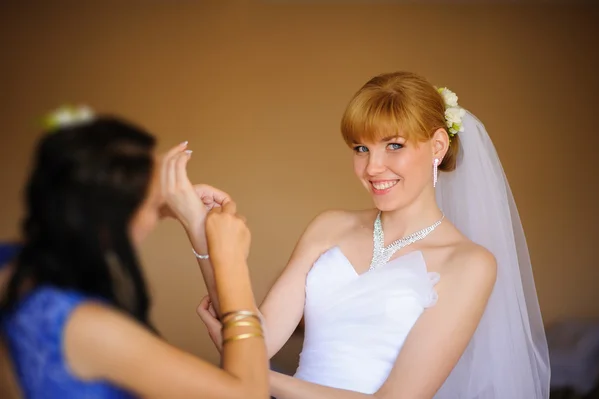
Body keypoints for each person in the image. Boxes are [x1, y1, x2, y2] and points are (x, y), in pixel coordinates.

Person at [194, 72, 550, 398]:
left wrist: (257, 378)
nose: (372, 167)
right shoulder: (329, 226)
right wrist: (200, 229)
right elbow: (256, 343)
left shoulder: (470, 263)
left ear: (437, 147)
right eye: (361, 148)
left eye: (393, 145)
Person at [0, 107, 269, 399]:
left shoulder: (13, 265)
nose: (158, 214)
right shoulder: (88, 327)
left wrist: (177, 212)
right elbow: (249, 394)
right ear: (111, 222)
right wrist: (231, 261)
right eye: (154, 205)